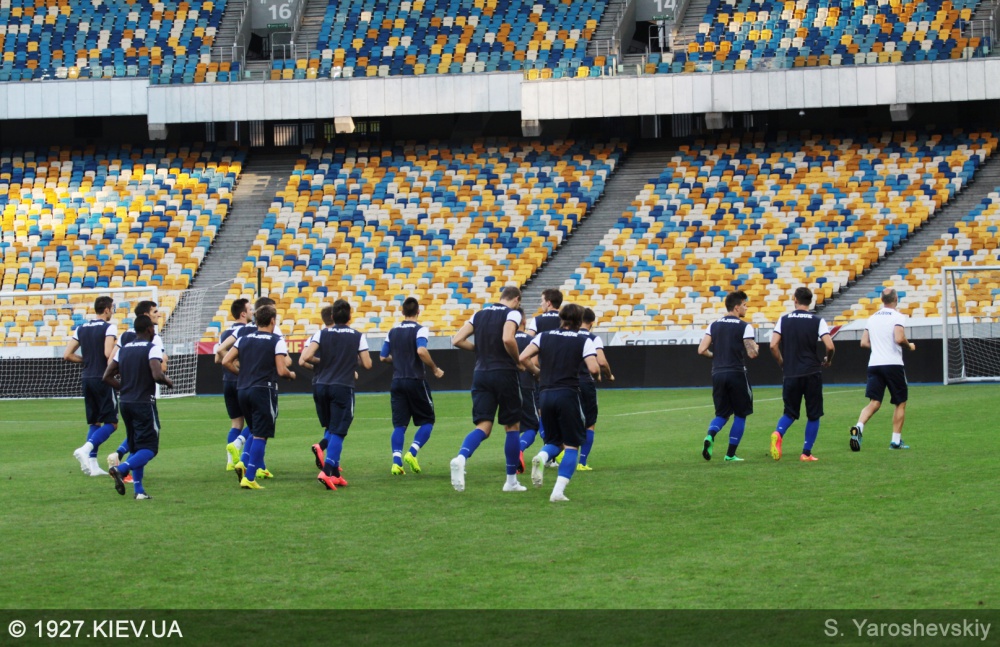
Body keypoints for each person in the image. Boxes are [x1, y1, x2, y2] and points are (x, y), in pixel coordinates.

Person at [519, 303, 600, 502]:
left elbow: (523, 357)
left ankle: (542, 457)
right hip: (568, 395)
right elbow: (594, 368)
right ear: (579, 321)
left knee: (555, 441)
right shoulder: (583, 339)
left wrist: (537, 373)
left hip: (545, 395)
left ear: (561, 318)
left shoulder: (543, 336)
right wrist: (594, 373)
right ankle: (557, 492)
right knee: (572, 445)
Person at [449, 285, 526, 493]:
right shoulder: (512, 314)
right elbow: (508, 338)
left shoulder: (479, 314)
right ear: (516, 300)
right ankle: (511, 482)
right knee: (512, 426)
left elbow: (457, 340)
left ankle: (461, 457)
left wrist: (479, 350)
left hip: (481, 373)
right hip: (504, 373)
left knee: (483, 426)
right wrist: (518, 361)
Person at [299, 299, 371, 490]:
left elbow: (306, 357)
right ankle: (327, 470)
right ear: (350, 317)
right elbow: (367, 363)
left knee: (331, 427)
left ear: (332, 316)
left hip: (321, 386)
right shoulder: (357, 335)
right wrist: (349, 360)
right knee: (339, 430)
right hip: (342, 387)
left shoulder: (321, 333)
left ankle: (336, 474)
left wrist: (324, 362)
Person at [222, 304, 296, 490]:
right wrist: (291, 375)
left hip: (243, 390)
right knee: (261, 435)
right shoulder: (276, 340)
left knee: (254, 430)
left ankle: (244, 462)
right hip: (263, 390)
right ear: (272, 320)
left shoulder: (243, 339)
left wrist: (241, 375)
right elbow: (282, 370)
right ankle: (250, 477)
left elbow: (225, 360)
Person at [103, 315, 173, 499]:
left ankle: (139, 491)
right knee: (149, 448)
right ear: (149, 329)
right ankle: (121, 469)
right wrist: (168, 381)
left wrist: (125, 388)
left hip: (126, 403)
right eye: (153, 328)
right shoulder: (151, 348)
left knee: (135, 446)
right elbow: (157, 375)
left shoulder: (124, 349)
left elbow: (107, 376)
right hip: (143, 403)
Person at [768, 287, 835, 462]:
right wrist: (828, 360)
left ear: (795, 299)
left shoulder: (783, 320)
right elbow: (830, 346)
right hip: (812, 372)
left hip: (791, 373)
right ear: (810, 302)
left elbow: (773, 345)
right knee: (813, 414)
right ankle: (806, 453)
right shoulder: (817, 321)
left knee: (790, 413)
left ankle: (778, 433)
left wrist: (783, 363)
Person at [379, 297, 444, 475]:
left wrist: (398, 361)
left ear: (402, 312)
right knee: (428, 421)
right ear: (418, 312)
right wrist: (435, 368)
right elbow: (421, 351)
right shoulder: (420, 329)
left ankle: (396, 462)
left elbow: (383, 357)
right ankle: (412, 452)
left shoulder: (392, 331)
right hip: (415, 380)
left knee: (400, 425)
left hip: (397, 381)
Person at [849, 288, 916, 451]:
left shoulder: (872, 318)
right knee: (900, 402)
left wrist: (879, 346)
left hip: (874, 364)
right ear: (896, 299)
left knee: (874, 402)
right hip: (893, 364)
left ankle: (858, 427)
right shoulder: (898, 316)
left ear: (881, 299)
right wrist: (909, 346)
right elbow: (899, 338)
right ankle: (895, 441)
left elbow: (863, 343)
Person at [697, 291, 759, 462]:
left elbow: (701, 350)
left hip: (718, 373)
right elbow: (752, 353)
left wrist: (714, 356)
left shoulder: (714, 325)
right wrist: (756, 348)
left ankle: (710, 435)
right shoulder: (744, 326)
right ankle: (730, 454)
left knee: (722, 414)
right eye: (745, 305)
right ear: (737, 307)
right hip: (737, 373)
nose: (746, 308)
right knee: (740, 414)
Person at [109, 300, 168, 473]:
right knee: (148, 438)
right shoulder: (153, 338)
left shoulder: (125, 336)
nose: (158, 314)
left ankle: (120, 455)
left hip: (127, 395)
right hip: (143, 395)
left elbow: (111, 359)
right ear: (145, 316)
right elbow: (161, 368)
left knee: (135, 433)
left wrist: (127, 379)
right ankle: (125, 468)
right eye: (155, 311)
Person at [64, 295, 119, 477]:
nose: (112, 311)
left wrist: (86, 360)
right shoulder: (109, 327)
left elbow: (67, 355)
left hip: (87, 377)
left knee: (95, 421)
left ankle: (93, 465)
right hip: (103, 378)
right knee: (112, 423)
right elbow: (108, 353)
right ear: (106, 309)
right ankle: (85, 449)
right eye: (112, 308)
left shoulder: (81, 328)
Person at [215, 298, 251, 471]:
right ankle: (247, 456)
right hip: (242, 381)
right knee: (255, 423)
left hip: (227, 381)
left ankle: (230, 462)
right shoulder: (247, 331)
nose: (252, 313)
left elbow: (217, 358)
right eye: (250, 310)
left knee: (236, 424)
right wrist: (238, 365)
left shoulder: (224, 333)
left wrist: (229, 361)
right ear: (243, 313)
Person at [576, 308, 613, 470]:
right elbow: (602, 361)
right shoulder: (593, 338)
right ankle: (582, 462)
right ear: (592, 323)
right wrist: (609, 375)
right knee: (589, 423)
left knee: (569, 421)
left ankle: (557, 455)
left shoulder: (571, 336)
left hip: (567, 383)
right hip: (585, 382)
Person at [514, 308, 539, 474]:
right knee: (532, 426)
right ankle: (520, 449)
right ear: (524, 321)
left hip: (507, 387)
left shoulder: (505, 339)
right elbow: (534, 364)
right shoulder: (531, 340)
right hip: (526, 386)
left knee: (512, 426)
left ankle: (512, 458)